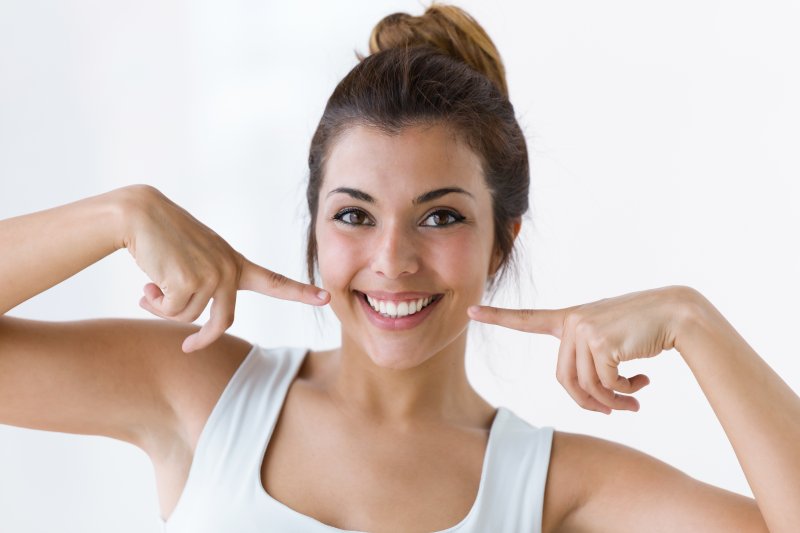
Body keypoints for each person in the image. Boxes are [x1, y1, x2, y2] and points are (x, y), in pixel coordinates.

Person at [0, 3, 797, 532]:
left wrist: (695, 322)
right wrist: (115, 214)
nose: (392, 259)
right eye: (354, 214)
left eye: (441, 216)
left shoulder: (556, 486)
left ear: (503, 239)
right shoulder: (197, 392)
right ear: (313, 225)